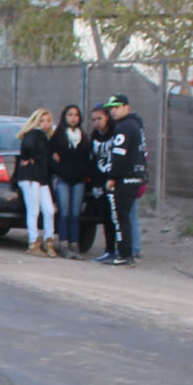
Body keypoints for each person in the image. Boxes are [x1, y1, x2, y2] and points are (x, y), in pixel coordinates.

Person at [100, 93, 146, 266]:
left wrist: (112, 177)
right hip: (136, 176)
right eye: (111, 108)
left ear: (127, 107)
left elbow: (119, 155)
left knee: (120, 217)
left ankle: (124, 254)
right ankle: (131, 252)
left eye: (117, 107)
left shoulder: (124, 127)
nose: (113, 111)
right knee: (127, 216)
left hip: (126, 178)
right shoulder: (136, 125)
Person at [49, 104, 92, 259]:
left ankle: (75, 244)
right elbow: (50, 157)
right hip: (63, 179)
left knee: (75, 214)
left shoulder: (84, 137)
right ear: (64, 117)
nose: (73, 118)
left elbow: (87, 158)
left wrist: (84, 172)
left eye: (76, 115)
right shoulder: (58, 136)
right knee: (64, 213)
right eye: (70, 115)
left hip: (79, 180)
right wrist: (59, 168)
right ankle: (64, 244)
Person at [15, 108, 58, 256]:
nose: (45, 124)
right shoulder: (34, 133)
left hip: (40, 178)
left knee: (49, 210)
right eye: (42, 120)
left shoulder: (44, 137)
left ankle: (48, 240)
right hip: (30, 177)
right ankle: (33, 242)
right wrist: (27, 159)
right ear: (36, 121)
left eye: (48, 120)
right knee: (34, 210)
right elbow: (27, 146)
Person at [88, 105, 118, 261]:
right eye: (94, 120)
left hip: (113, 180)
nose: (97, 122)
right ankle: (109, 248)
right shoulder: (94, 136)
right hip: (99, 182)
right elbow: (92, 159)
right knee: (105, 217)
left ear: (107, 117)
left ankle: (122, 249)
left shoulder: (116, 133)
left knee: (116, 217)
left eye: (100, 118)